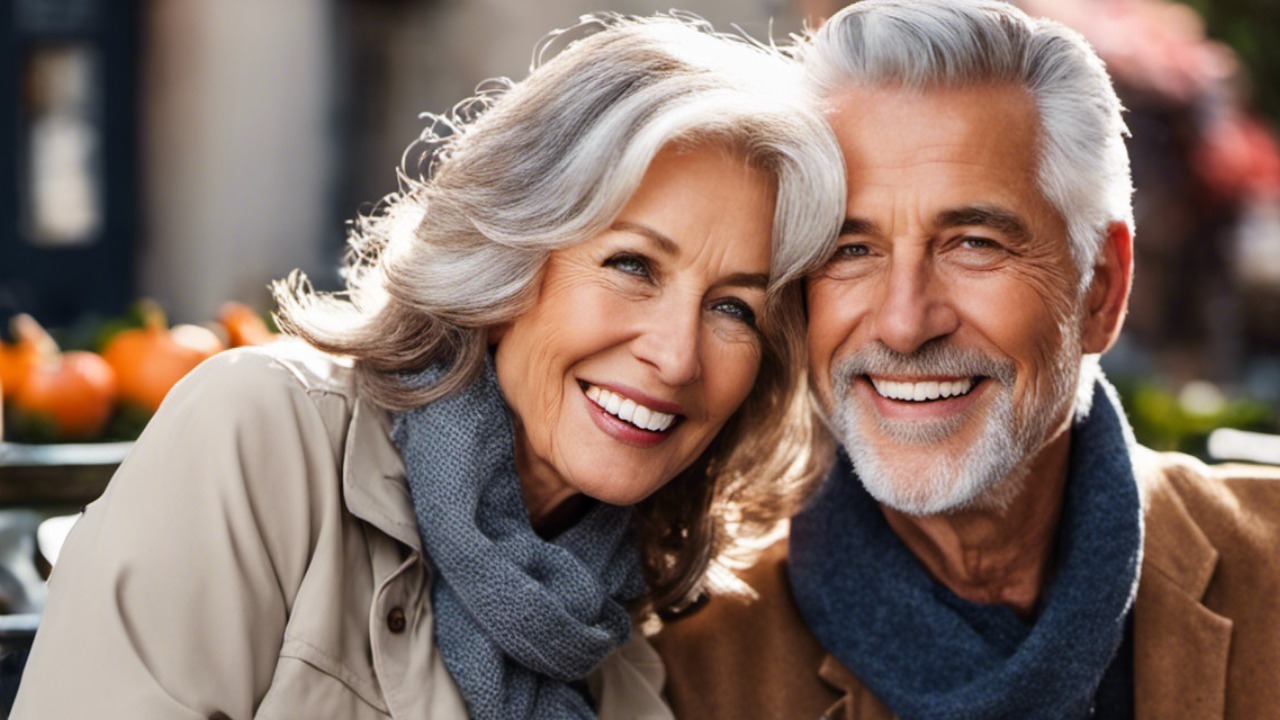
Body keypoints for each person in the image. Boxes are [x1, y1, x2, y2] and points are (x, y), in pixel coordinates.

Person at [11, 15, 846, 720]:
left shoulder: (631, 658)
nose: (675, 354)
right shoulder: (262, 440)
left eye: (735, 307)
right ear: (510, 253)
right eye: (633, 265)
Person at [653, 2, 1280, 719]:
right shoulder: (684, 670)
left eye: (974, 242)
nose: (904, 323)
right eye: (850, 250)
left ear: (1100, 289)